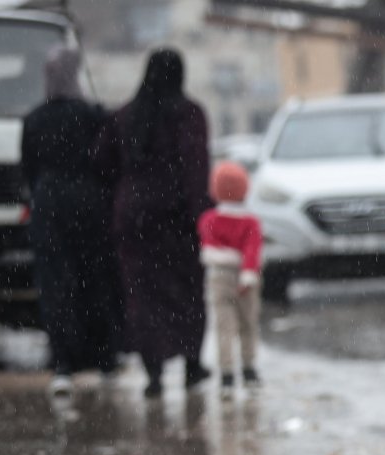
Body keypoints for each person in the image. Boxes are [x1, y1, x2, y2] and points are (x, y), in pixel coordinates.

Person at [95, 48, 212, 398]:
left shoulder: (124, 117)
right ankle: (192, 364)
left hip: (133, 220)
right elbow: (196, 168)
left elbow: (101, 163)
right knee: (186, 293)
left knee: (142, 296)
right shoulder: (189, 115)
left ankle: (154, 374)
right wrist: (201, 217)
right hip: (177, 220)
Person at [20, 47, 121, 396]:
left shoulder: (33, 119)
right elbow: (109, 164)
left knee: (56, 285)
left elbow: (29, 171)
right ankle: (104, 358)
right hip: (90, 207)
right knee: (95, 280)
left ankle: (63, 362)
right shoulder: (93, 115)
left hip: (49, 208)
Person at [197, 161, 263, 399]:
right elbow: (252, 251)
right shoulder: (250, 222)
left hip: (218, 276)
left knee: (223, 327)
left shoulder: (208, 219)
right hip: (245, 279)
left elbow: (208, 246)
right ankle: (249, 369)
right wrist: (247, 273)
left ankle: (226, 374)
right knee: (247, 325)